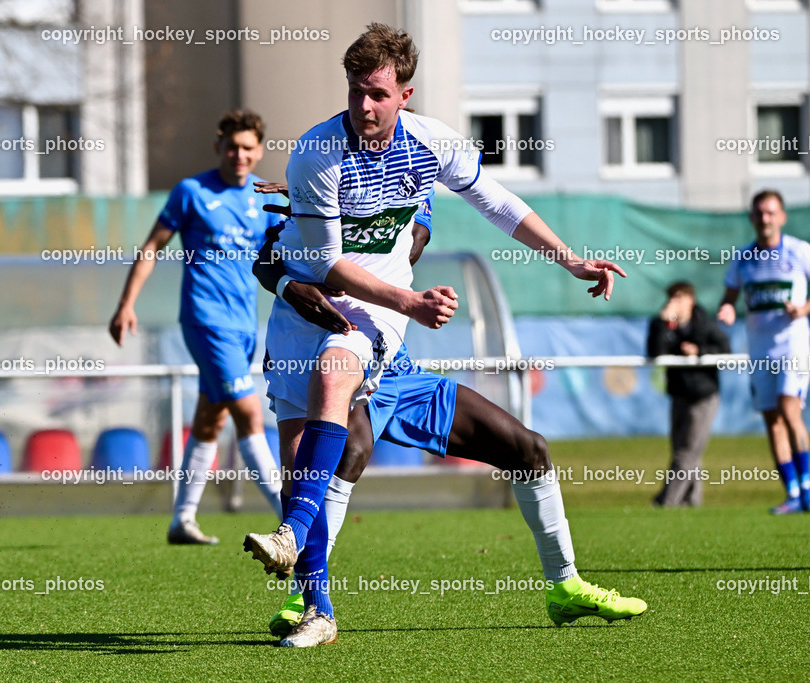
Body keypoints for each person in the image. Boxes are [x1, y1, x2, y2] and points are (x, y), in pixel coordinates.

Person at [243, 21, 633, 644]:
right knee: (332, 453)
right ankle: (310, 600)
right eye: (355, 91)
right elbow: (322, 266)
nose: (364, 105)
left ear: (406, 94)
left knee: (518, 445)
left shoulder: (429, 146)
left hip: (373, 320)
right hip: (310, 323)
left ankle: (563, 583)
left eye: (377, 93)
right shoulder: (317, 153)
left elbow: (500, 203)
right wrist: (411, 299)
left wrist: (572, 259)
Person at [252, 186, 646, 645]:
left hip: (396, 365)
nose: (369, 115)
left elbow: (413, 244)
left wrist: (352, 217)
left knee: (529, 449)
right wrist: (319, 210)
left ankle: (565, 585)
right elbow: (269, 256)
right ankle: (308, 598)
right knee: (345, 452)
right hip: (344, 352)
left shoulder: (414, 177)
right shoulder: (331, 170)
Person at [109, 109, 283, 545]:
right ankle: (296, 522)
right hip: (205, 320)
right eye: (231, 146)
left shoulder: (263, 200)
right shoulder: (191, 192)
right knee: (248, 412)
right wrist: (126, 303)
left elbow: (287, 254)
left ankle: (181, 520)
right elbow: (152, 246)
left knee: (211, 418)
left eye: (247, 148)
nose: (238, 155)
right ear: (218, 146)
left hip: (245, 325)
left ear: (259, 151)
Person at [718, 190, 810, 515]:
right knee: (772, 419)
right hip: (759, 349)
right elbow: (728, 297)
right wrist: (727, 309)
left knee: (789, 409)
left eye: (771, 212)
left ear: (782, 216)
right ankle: (794, 493)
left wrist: (803, 309)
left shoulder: (800, 252)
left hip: (793, 345)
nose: (765, 219)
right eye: (759, 213)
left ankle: (808, 487)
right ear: (752, 218)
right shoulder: (743, 258)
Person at [647, 281, 730, 507]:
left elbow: (725, 351)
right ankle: (692, 501)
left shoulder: (704, 324)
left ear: (691, 300)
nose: (676, 303)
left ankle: (666, 502)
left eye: (680, 298)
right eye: (673, 298)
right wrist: (662, 322)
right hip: (679, 395)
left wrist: (699, 351)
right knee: (684, 452)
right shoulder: (667, 326)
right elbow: (654, 352)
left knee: (687, 453)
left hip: (703, 396)